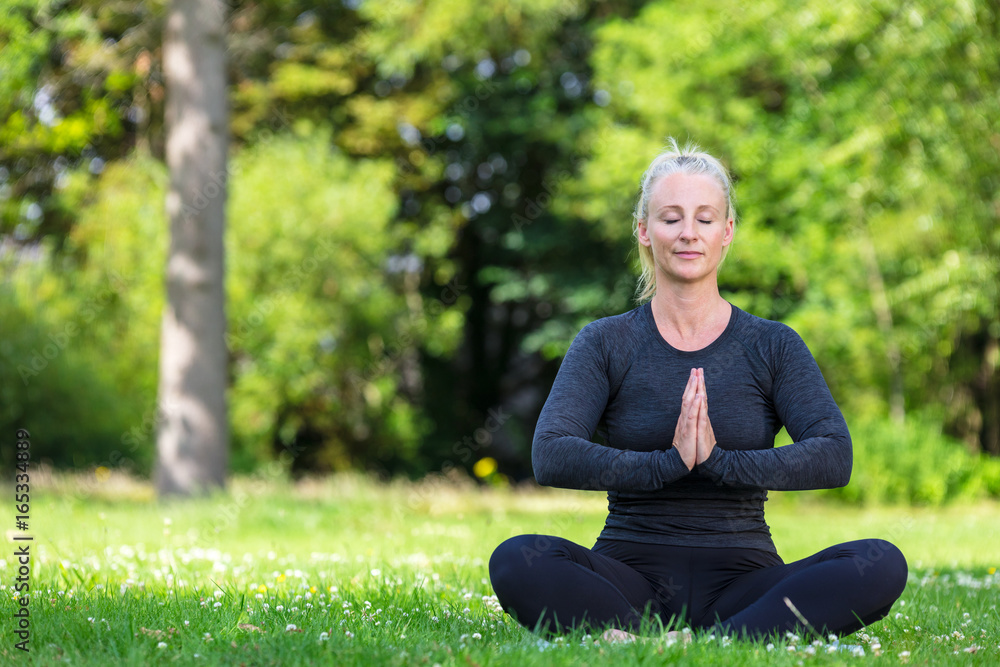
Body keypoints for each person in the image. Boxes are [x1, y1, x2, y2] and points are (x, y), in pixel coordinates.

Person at [488, 139, 907, 642]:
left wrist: (718, 461)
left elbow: (834, 455)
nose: (689, 233)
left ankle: (714, 640)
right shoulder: (605, 342)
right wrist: (668, 463)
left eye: (705, 218)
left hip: (744, 582)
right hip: (628, 576)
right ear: (644, 230)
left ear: (727, 232)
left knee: (880, 562)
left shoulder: (772, 345)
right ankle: (661, 632)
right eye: (671, 218)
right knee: (515, 559)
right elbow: (551, 453)